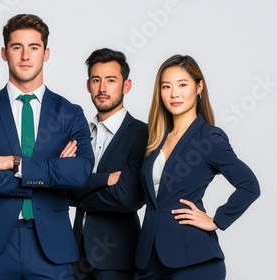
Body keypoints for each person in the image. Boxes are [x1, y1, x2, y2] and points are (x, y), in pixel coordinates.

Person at [0, 14, 95, 279]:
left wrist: (14, 163)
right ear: (4, 52)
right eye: (16, 47)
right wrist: (50, 175)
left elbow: (80, 174)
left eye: (34, 47)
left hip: (52, 248)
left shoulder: (70, 113)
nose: (25, 56)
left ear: (46, 53)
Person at [135, 54, 260, 279]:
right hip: (150, 260)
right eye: (166, 86)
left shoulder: (209, 138)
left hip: (195, 261)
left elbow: (250, 185)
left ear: (199, 86)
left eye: (182, 85)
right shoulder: (155, 139)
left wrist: (216, 220)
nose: (174, 93)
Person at [68, 48, 147, 280]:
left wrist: (78, 191)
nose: (102, 88)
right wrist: (104, 181)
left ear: (126, 85)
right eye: (96, 80)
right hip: (75, 253)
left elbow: (127, 197)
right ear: (88, 85)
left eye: (111, 80)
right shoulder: (79, 133)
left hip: (117, 257)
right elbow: (63, 190)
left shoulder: (142, 134)